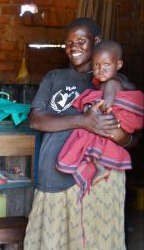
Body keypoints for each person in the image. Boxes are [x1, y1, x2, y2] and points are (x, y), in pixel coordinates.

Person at [24, 18, 134, 249]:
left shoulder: (112, 82)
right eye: (69, 42)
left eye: (81, 41)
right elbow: (36, 120)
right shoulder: (54, 77)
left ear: (96, 41)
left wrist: (119, 135)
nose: (73, 47)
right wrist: (84, 121)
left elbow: (131, 136)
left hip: (96, 182)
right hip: (52, 177)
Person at [57, 40, 144, 200]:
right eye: (96, 65)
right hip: (111, 124)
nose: (100, 69)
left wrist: (90, 110)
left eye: (106, 65)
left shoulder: (111, 83)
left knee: (84, 137)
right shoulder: (105, 82)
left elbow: (107, 105)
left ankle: (99, 168)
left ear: (118, 65)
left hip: (111, 119)